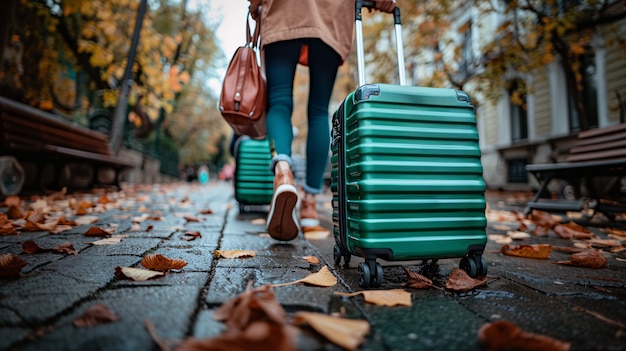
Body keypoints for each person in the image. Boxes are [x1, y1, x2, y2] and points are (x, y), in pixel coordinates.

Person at [248, 0, 396, 241]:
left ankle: (283, 173)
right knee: (318, 110)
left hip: (283, 10)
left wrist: (256, 6)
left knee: (279, 102)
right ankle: (309, 205)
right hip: (331, 15)